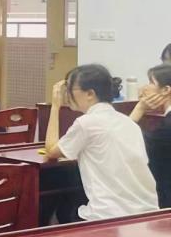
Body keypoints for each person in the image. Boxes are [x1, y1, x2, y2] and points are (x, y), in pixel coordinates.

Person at [44, 64, 158, 222]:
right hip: (147, 211)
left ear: (90, 93)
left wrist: (55, 106)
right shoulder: (128, 123)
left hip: (108, 215)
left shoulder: (87, 123)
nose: (66, 94)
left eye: (70, 89)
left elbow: (51, 150)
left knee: (62, 205)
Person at [131, 63, 171, 208]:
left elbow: (125, 140)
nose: (143, 88)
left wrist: (139, 108)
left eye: (150, 82)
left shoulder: (166, 127)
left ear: (166, 90)